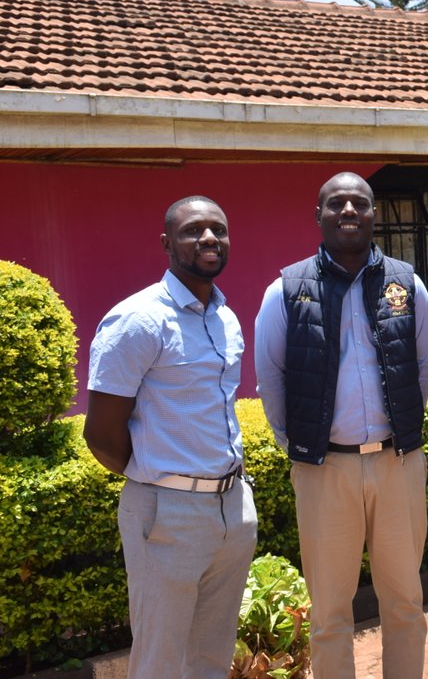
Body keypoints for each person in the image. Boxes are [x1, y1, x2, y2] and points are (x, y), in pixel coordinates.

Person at [255, 172, 428, 679]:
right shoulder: (285, 290)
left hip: (397, 465)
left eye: (360, 202)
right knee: (330, 613)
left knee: (405, 603)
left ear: (375, 214)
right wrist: (301, 445)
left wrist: (400, 429)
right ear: (319, 216)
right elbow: (271, 376)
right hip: (324, 470)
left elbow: (423, 366)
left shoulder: (407, 283)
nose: (349, 211)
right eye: (337, 204)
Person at [84, 196, 257, 679]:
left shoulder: (225, 318)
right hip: (167, 514)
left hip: (231, 509)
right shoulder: (138, 320)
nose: (209, 238)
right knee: (159, 662)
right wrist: (160, 481)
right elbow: (101, 434)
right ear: (166, 243)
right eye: (193, 230)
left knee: (211, 658)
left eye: (218, 229)